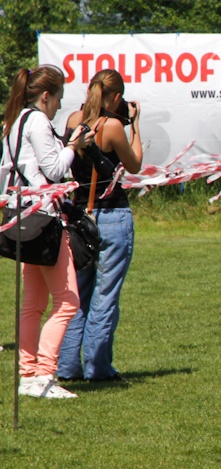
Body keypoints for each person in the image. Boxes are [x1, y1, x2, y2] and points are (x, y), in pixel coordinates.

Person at [1, 65, 93, 398]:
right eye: (58, 99)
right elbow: (54, 169)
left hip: (20, 216)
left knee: (33, 303)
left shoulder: (13, 122)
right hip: (44, 218)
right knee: (68, 301)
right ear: (45, 96)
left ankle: (27, 375)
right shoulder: (38, 121)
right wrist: (74, 145)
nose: (59, 106)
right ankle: (43, 375)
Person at [57, 69, 142, 382]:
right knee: (105, 296)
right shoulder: (113, 126)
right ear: (116, 96)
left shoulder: (72, 120)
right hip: (112, 216)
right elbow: (134, 164)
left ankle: (68, 365)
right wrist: (136, 126)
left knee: (77, 295)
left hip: (79, 217)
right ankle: (98, 367)